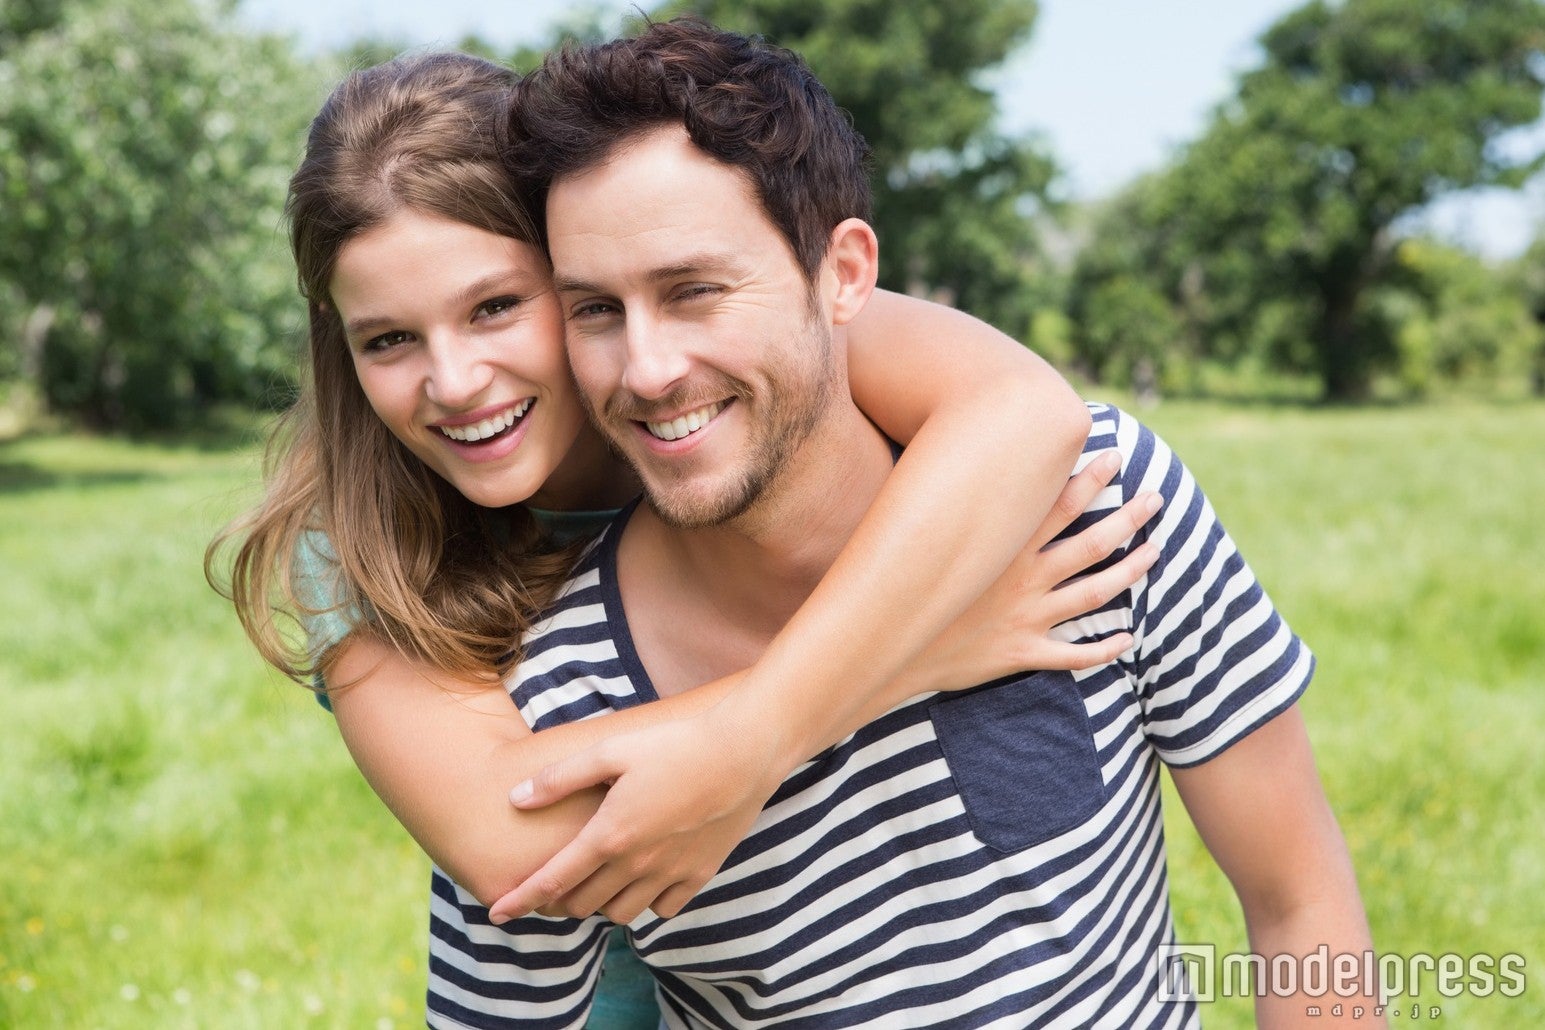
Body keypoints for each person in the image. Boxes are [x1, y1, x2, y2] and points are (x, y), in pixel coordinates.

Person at [412, 19, 1382, 1028]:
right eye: (597, 312)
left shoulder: (1096, 504)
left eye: (694, 289)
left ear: (844, 275)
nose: (648, 369)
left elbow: (1298, 901)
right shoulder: (555, 705)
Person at [206, 50, 1159, 1027]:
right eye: (389, 338)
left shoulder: (717, 352)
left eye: (496, 305)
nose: (453, 380)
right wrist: (909, 654)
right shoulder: (356, 545)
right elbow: (513, 838)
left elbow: (1024, 411)